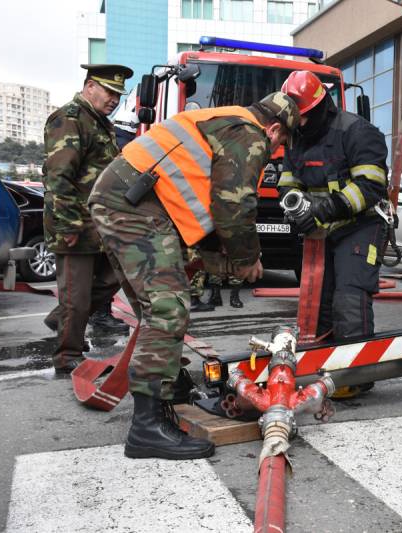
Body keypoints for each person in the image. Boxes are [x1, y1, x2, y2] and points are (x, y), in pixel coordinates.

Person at [88, 92, 300, 460]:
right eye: (281, 143)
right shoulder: (250, 134)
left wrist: (219, 258)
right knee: (167, 308)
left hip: (124, 198)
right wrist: (247, 258)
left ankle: (168, 390)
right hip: (134, 205)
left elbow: (203, 203)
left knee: (155, 308)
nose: (275, 151)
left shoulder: (226, 119)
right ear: (275, 129)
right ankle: (146, 428)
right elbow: (233, 204)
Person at [279, 71, 389, 397]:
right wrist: (295, 209)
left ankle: (357, 375)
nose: (299, 124)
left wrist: (325, 209)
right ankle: (325, 368)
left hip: (361, 226)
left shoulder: (358, 132)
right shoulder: (296, 138)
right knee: (319, 302)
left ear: (321, 107)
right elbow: (288, 182)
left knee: (349, 296)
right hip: (321, 229)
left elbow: (370, 186)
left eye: (303, 116)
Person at [43, 64, 133, 374]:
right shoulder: (70, 119)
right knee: (77, 295)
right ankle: (68, 356)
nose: (114, 100)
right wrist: (68, 224)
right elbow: (58, 177)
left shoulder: (99, 122)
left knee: (113, 277)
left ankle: (61, 319)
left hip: (99, 224)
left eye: (118, 95)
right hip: (75, 224)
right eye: (109, 92)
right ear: (90, 86)